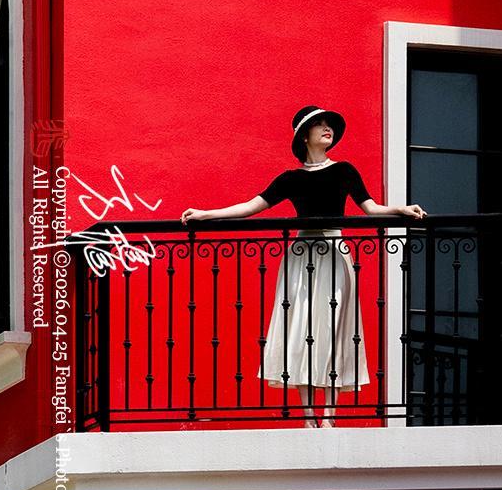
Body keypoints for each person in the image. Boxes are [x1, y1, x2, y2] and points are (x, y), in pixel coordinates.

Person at [182, 105, 425, 426]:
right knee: (300, 329)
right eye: (319, 124)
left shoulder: (344, 171)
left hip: (334, 253)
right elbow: (250, 207)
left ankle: (329, 417)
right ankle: (309, 416)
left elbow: (371, 208)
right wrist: (205, 214)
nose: (327, 128)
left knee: (335, 329)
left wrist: (401, 209)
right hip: (301, 256)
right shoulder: (291, 179)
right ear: (304, 136)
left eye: (329, 124)